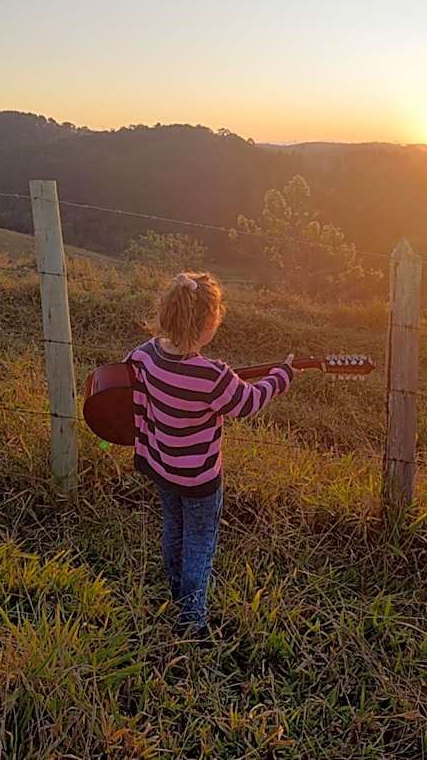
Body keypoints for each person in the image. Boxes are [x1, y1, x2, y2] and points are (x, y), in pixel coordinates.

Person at [124, 271, 296, 638]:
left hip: (160, 465)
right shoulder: (213, 376)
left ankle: (175, 590)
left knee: (173, 527)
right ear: (209, 323)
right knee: (200, 543)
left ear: (166, 314)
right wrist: (281, 376)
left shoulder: (144, 355)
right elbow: (248, 402)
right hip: (200, 478)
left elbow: (129, 376)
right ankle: (192, 620)